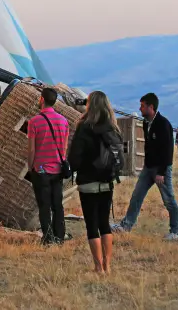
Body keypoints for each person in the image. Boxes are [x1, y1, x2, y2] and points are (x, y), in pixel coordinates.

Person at [112, 93, 178, 240]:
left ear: (151, 107)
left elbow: (167, 150)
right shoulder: (146, 123)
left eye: (142, 106)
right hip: (148, 168)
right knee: (137, 196)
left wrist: (162, 172)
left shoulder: (163, 124)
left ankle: (176, 231)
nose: (140, 108)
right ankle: (126, 225)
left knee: (168, 199)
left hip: (161, 169)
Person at [67, 91, 123, 274]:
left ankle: (98, 267)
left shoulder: (84, 126)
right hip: (107, 182)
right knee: (104, 224)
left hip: (88, 182)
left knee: (92, 225)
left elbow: (74, 158)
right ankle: (108, 264)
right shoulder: (113, 127)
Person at [27, 87, 70, 245]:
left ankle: (48, 238)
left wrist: (30, 166)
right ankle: (60, 236)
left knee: (44, 206)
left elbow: (32, 149)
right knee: (57, 204)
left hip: (41, 170)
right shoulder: (64, 121)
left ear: (42, 99)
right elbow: (64, 148)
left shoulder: (34, 122)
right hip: (58, 170)